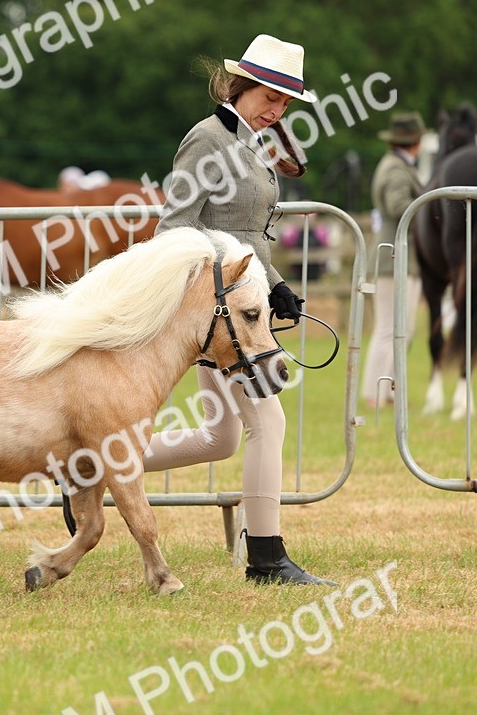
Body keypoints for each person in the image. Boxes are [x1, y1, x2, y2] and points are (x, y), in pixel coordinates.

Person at [143, 34, 334, 585]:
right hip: (218, 311)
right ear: (242, 85)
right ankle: (267, 558)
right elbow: (174, 228)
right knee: (267, 421)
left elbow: (247, 230)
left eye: (286, 101)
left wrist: (274, 285)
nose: (278, 109)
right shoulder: (207, 139)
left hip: (243, 301)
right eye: (271, 95)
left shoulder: (254, 142)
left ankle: (90, 469)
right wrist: (236, 284)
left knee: (219, 438)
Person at [362, 111, 426, 408]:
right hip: (394, 255)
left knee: (400, 327)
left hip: (396, 254)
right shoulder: (398, 170)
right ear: (417, 141)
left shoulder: (396, 165)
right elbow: (399, 205)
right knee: (390, 327)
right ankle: (376, 391)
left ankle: (385, 389)